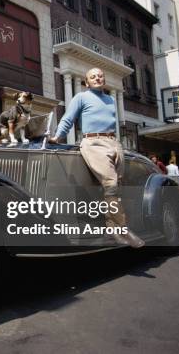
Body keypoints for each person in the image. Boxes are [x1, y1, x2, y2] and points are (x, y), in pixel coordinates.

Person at [49, 67, 144, 248]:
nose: (97, 78)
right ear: (86, 82)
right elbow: (68, 119)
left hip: (113, 143)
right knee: (111, 183)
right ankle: (123, 229)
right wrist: (57, 137)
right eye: (93, 77)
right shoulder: (81, 97)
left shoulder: (110, 99)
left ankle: (112, 229)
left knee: (116, 188)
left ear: (104, 79)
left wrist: (117, 145)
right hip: (94, 143)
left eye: (100, 75)